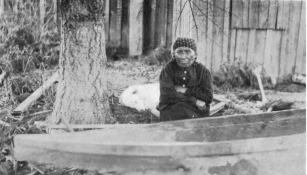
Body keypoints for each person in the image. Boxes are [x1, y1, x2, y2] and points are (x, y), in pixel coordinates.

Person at [157, 37, 213, 121]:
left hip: (197, 110)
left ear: (195, 54)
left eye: (187, 52)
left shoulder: (203, 71)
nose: (183, 57)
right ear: (174, 54)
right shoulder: (168, 70)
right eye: (179, 52)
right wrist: (194, 100)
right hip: (172, 109)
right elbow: (167, 95)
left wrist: (185, 90)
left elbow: (208, 97)